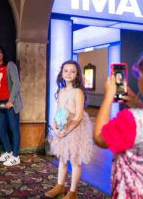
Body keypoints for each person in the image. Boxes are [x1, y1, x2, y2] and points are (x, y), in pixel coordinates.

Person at [93, 43, 143, 199]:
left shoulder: (133, 120)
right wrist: (140, 106)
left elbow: (99, 137)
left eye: (140, 74)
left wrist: (108, 96)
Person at [46, 60, 93, 199]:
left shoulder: (78, 92)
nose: (68, 73)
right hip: (63, 126)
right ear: (61, 73)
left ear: (77, 74)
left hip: (75, 128)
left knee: (75, 160)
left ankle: (73, 192)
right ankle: (60, 186)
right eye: (66, 70)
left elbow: (78, 117)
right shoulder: (61, 91)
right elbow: (59, 111)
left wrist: (66, 130)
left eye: (72, 71)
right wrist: (55, 127)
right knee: (62, 158)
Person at [0, 44, 22, 166]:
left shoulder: (10, 65)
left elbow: (16, 84)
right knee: (1, 129)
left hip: (11, 103)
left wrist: (11, 100)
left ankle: (16, 156)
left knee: (14, 129)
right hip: (0, 104)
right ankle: (8, 151)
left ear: (3, 53)